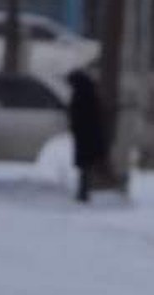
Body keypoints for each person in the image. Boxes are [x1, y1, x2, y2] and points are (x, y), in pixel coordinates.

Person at [66, 70, 107, 203]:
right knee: (87, 165)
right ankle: (84, 191)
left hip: (85, 135)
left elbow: (78, 115)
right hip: (89, 135)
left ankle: (84, 192)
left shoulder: (81, 95)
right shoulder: (89, 93)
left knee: (85, 165)